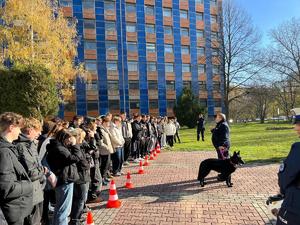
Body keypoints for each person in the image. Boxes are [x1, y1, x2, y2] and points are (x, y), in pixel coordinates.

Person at [0, 112, 33, 225]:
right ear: (11, 127)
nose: (20, 132)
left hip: (15, 210)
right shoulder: (4, 152)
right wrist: (29, 185)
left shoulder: (8, 148)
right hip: (12, 212)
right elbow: (6, 187)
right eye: (18, 128)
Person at [14, 118, 46, 225]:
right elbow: (31, 173)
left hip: (36, 192)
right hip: (31, 195)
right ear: (30, 130)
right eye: (38, 130)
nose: (40, 133)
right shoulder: (22, 146)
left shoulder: (30, 144)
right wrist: (43, 171)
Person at [46, 129, 80, 225]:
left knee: (59, 208)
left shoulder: (56, 147)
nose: (69, 142)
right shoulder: (59, 149)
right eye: (68, 140)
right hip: (64, 180)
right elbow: (75, 158)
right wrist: (75, 145)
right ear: (64, 138)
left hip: (62, 178)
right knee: (64, 209)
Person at [276, 108, 300, 225]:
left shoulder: (298, 148)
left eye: (298, 124)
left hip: (295, 203)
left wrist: (283, 190)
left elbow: (287, 175)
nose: (296, 128)